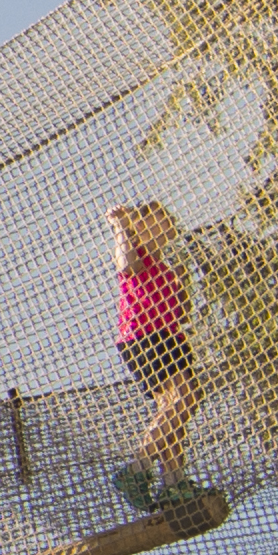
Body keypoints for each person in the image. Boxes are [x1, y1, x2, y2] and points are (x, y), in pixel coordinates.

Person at [110, 201, 203, 508]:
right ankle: (136, 468)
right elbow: (125, 265)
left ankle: (173, 481)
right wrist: (121, 226)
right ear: (141, 227)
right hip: (146, 337)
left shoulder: (166, 268)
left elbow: (183, 313)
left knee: (172, 410)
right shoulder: (138, 257)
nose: (168, 224)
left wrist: (182, 282)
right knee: (185, 398)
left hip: (170, 337)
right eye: (160, 219)